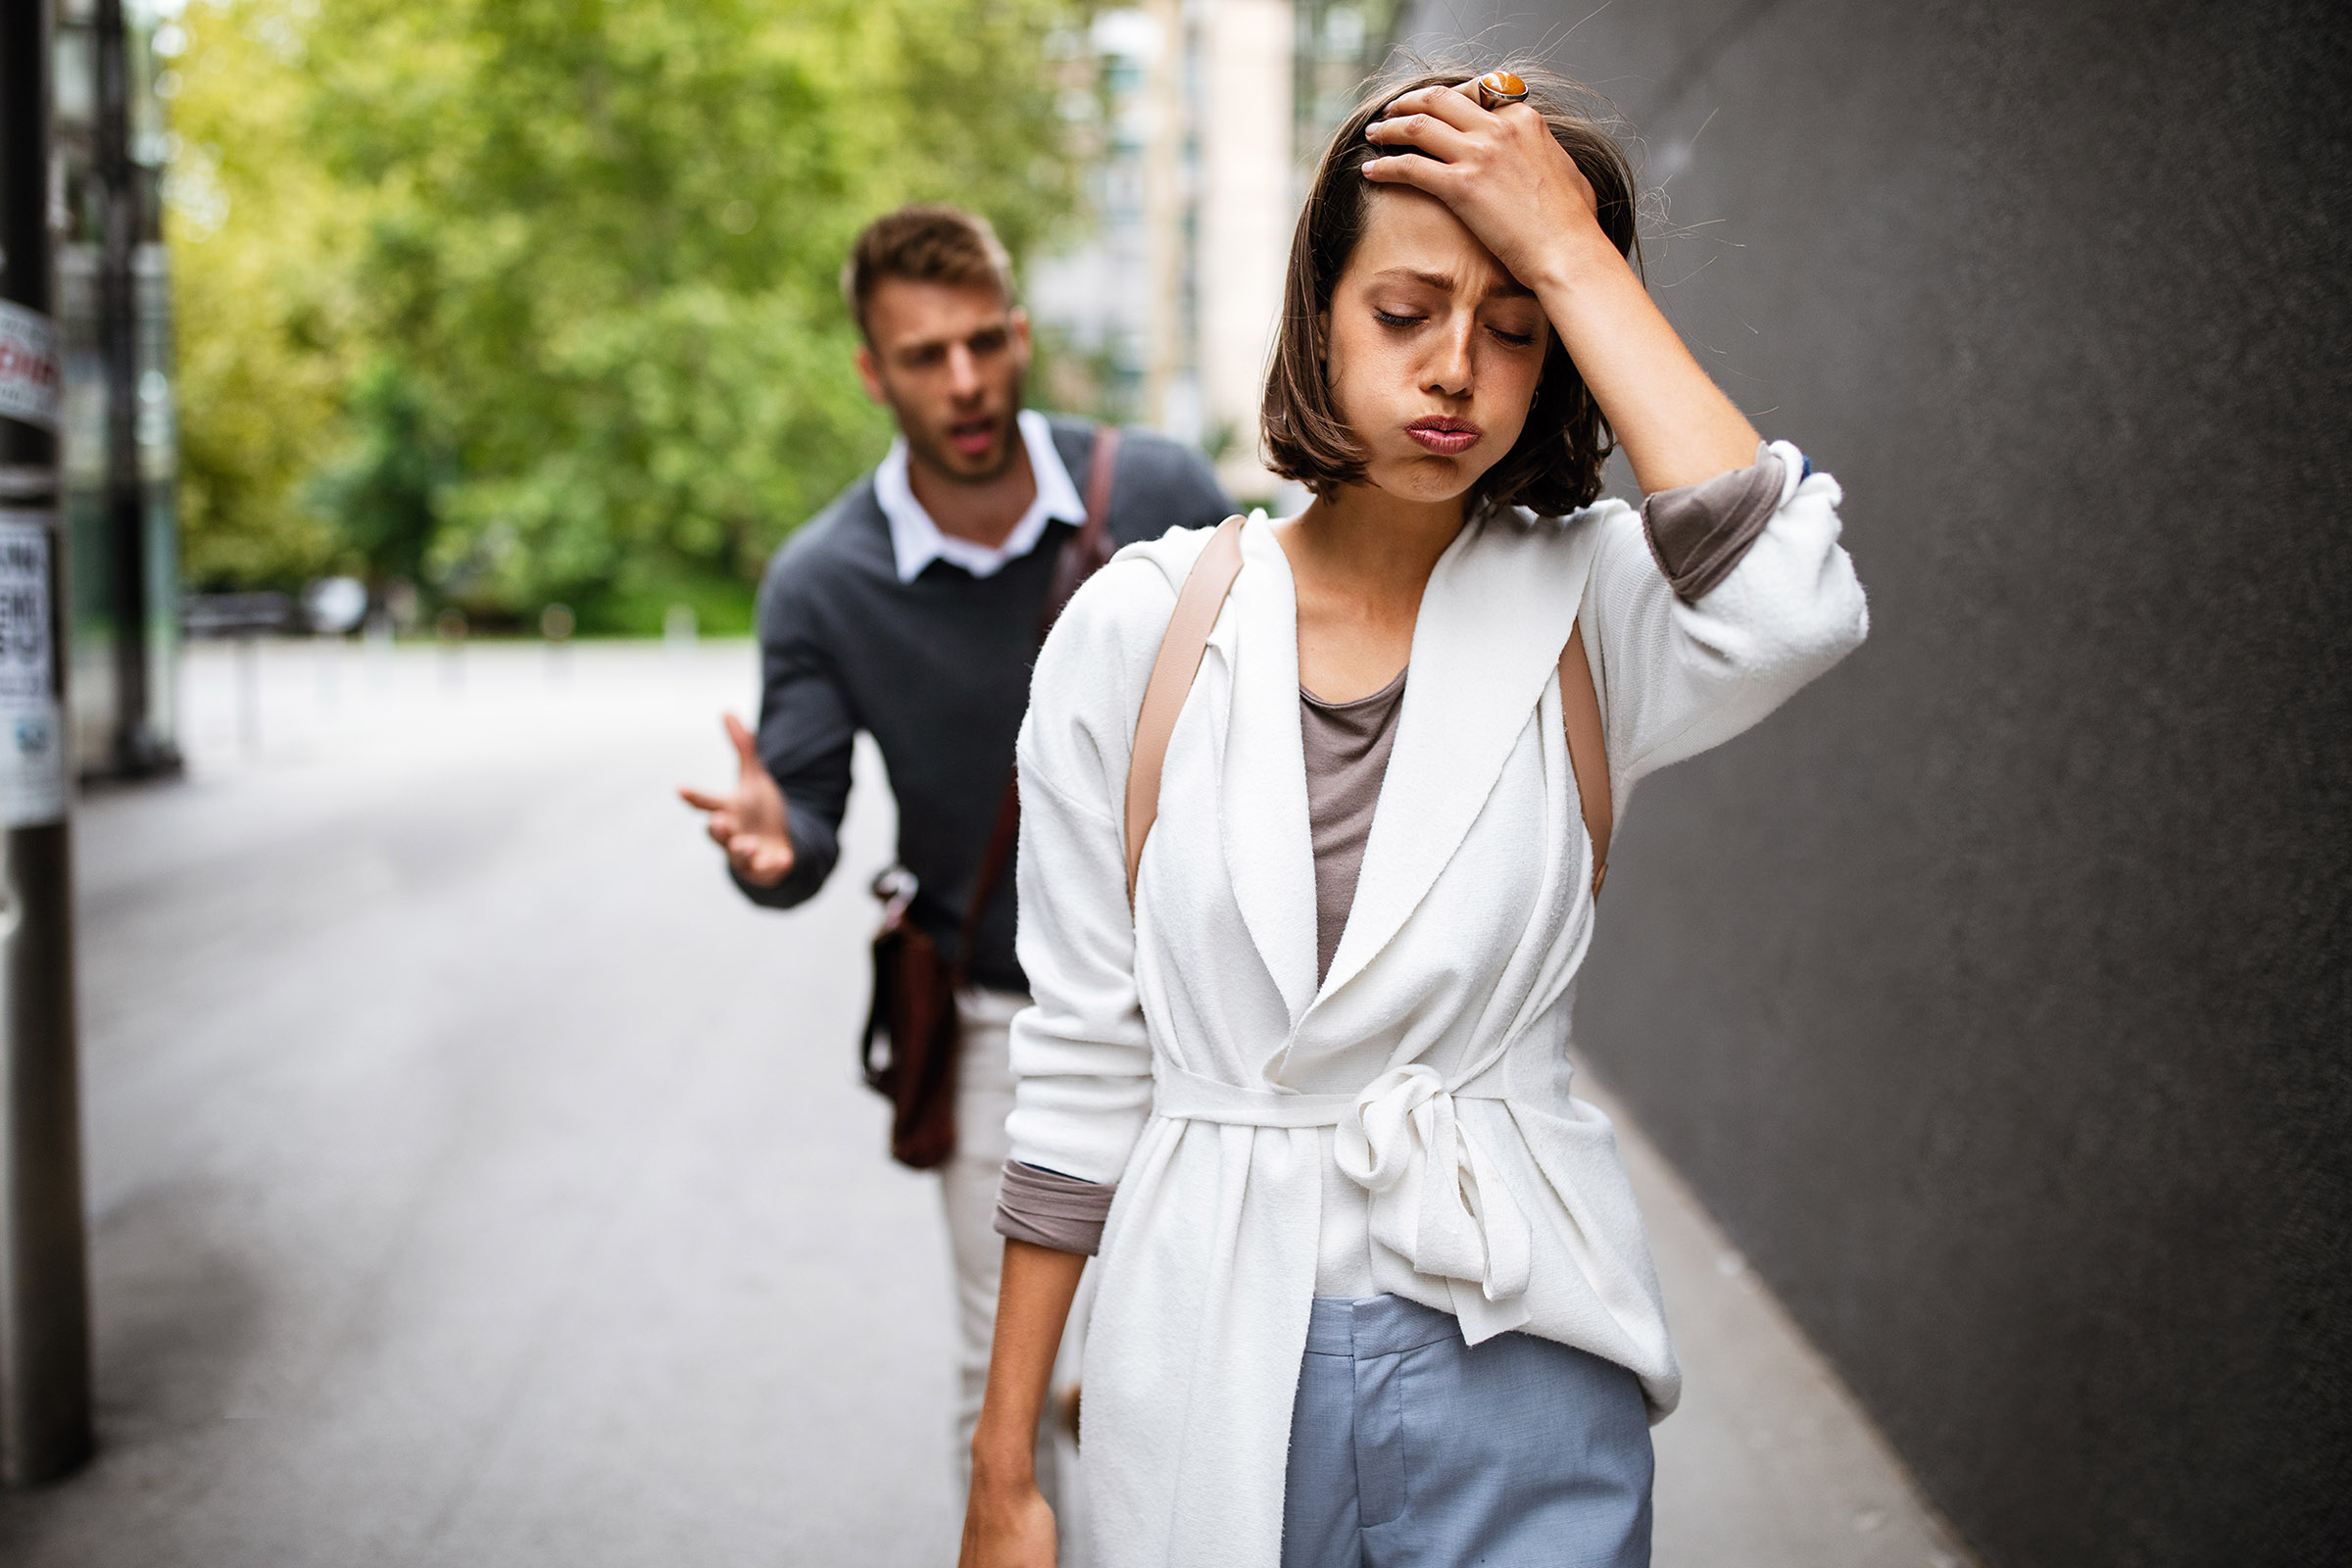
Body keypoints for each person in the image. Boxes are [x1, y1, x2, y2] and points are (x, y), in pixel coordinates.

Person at [961, 64, 1870, 1568]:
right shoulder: (1139, 631)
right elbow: (1078, 1065)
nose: (1457, 368)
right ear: (1317, 313)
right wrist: (1004, 1474)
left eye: (1516, 332)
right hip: (1205, 1355)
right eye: (1405, 313)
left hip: (1522, 1341)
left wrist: (1572, 247)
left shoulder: (1598, 608)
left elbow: (1793, 606)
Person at [677, 204, 1231, 1527]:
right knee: (1008, 1388)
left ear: (1021, 333)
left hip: (1213, 1011)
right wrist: (772, 846)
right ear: (872, 373)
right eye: (925, 357)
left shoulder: (1160, 494)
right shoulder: (823, 582)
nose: (967, 382)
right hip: (999, 1023)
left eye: (985, 343)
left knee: (1216, 1363)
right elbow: (801, 825)